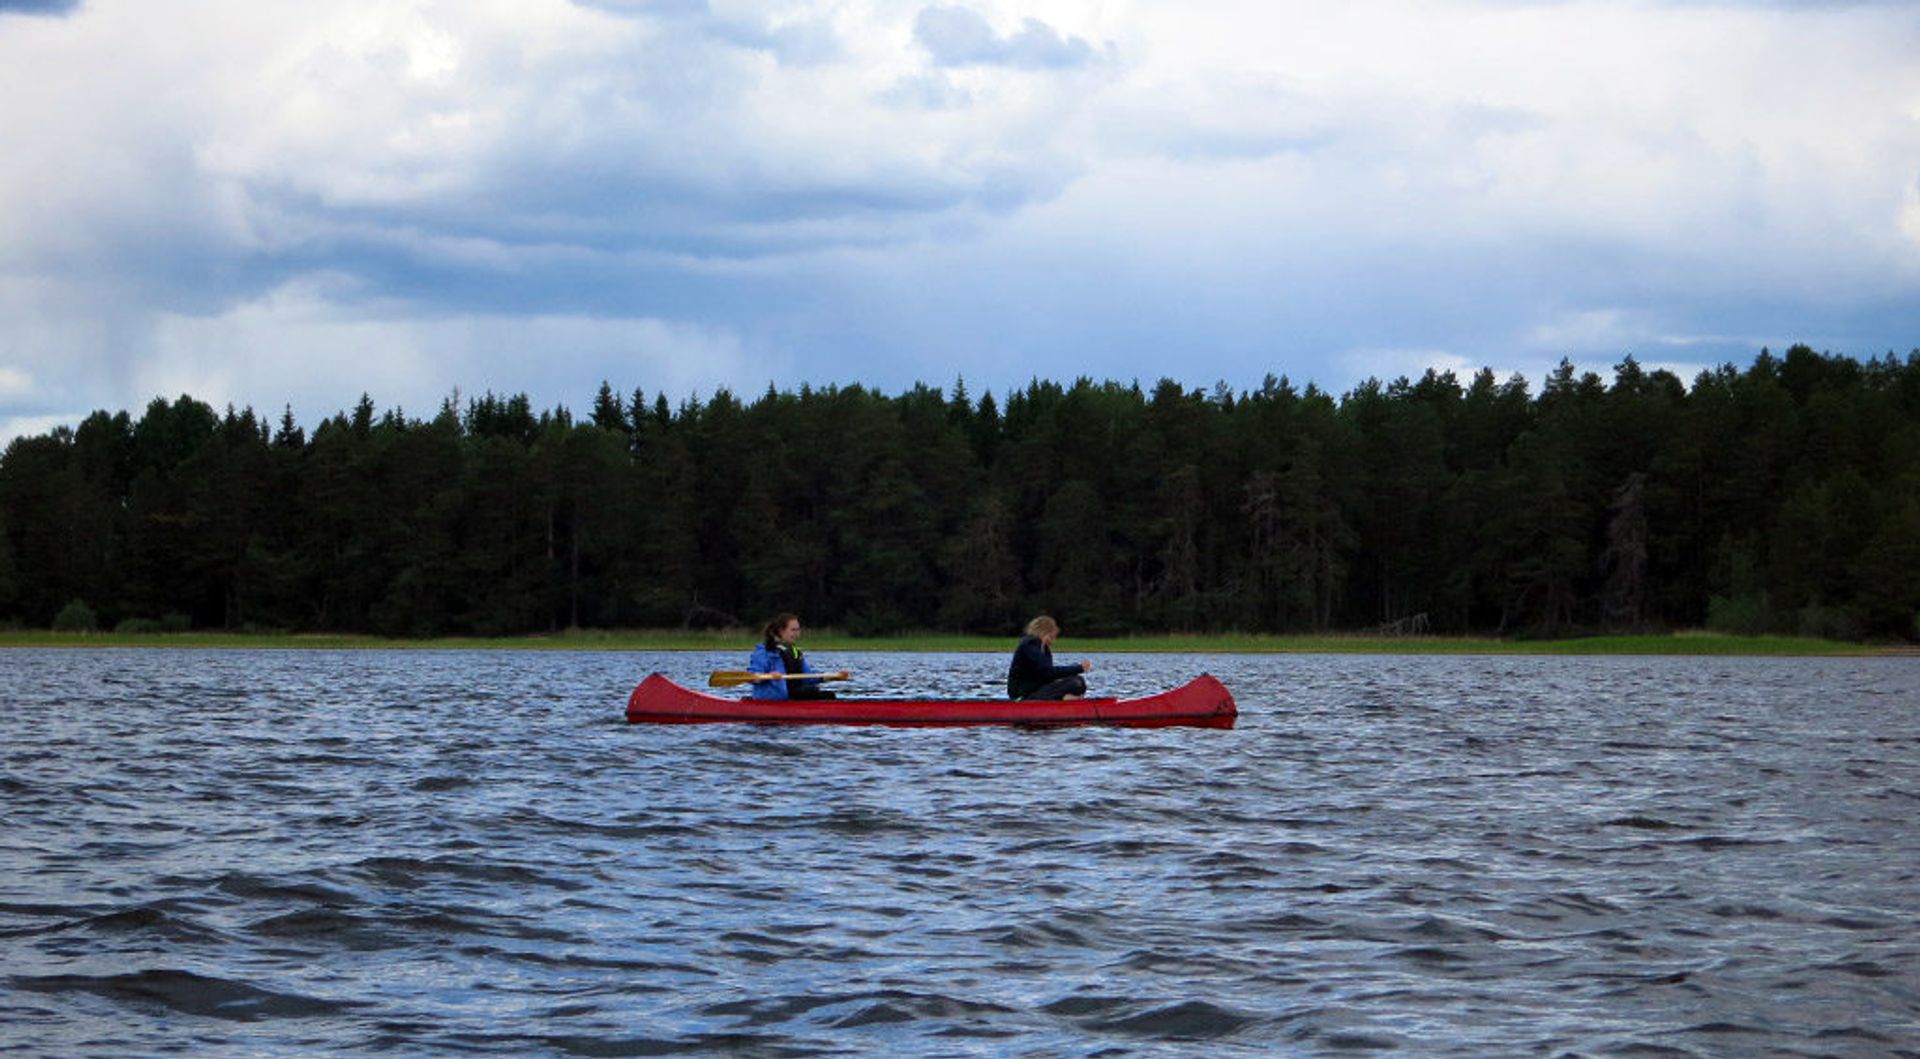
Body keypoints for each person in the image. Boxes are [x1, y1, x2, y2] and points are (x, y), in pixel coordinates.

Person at [748, 613, 847, 701]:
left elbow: (808, 677)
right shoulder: (764, 652)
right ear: (781, 631)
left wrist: (832, 677)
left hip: (794, 696)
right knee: (810, 691)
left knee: (828, 695)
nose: (797, 634)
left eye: (798, 630)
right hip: (773, 700)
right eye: (793, 630)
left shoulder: (795, 652)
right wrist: (768, 676)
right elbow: (752, 677)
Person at [1007, 615, 1092, 701]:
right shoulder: (1029, 646)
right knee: (1075, 682)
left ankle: (1065, 699)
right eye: (1052, 636)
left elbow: (1046, 676)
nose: (1053, 641)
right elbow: (1048, 672)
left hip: (1036, 690)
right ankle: (1063, 699)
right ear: (1044, 632)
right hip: (1022, 696)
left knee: (1078, 681)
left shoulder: (1044, 649)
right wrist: (1079, 668)